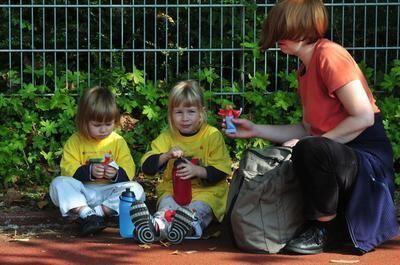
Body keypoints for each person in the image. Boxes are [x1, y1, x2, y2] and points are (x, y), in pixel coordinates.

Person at [223, 0, 399, 255]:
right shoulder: (305, 68)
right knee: (309, 147)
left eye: (281, 31)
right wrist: (255, 129)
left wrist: (315, 143)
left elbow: (363, 117)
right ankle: (324, 223)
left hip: (367, 159)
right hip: (341, 154)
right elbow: (308, 129)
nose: (276, 40)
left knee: (311, 149)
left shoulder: (330, 54)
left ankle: (325, 229)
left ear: (300, 27)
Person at [130, 80, 232, 245]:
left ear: (201, 112)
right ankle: (156, 226)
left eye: (191, 112)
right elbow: (147, 167)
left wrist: (197, 171)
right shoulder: (167, 136)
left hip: (205, 193)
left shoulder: (212, 135)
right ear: (171, 114)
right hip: (173, 191)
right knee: (166, 207)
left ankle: (189, 226)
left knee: (199, 208)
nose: (185, 118)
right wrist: (166, 155)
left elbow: (221, 170)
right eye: (179, 112)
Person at [49, 86, 145, 236]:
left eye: (108, 124)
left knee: (136, 190)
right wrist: (89, 172)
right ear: (84, 121)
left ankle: (94, 215)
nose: (103, 130)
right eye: (97, 125)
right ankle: (85, 212)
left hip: (109, 192)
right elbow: (67, 168)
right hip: (83, 192)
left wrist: (115, 174)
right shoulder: (75, 141)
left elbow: (129, 168)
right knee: (58, 183)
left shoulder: (118, 141)